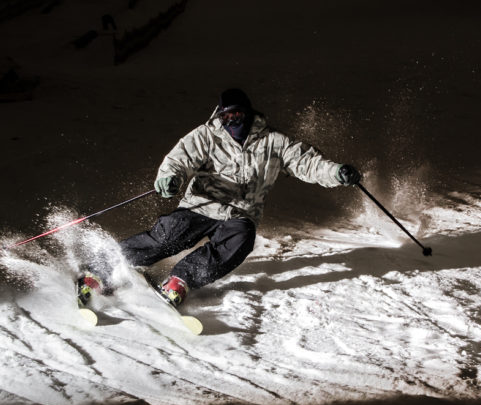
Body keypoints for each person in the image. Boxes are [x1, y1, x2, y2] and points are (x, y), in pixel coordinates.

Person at [77, 88, 361, 308]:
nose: (231, 121)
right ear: (219, 116)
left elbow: (307, 163)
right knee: (169, 236)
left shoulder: (274, 142)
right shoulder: (206, 135)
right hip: (201, 204)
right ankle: (99, 269)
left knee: (240, 240)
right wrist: (170, 178)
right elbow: (180, 158)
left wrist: (336, 172)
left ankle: (180, 281)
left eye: (237, 115)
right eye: (226, 116)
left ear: (248, 114)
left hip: (241, 213)